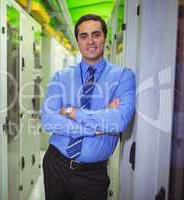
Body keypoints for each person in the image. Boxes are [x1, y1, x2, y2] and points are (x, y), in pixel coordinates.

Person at [40, 14, 136, 200]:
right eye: (83, 36)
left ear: (104, 37)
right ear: (77, 40)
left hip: (92, 175)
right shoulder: (61, 77)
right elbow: (48, 120)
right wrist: (96, 128)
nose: (90, 41)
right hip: (55, 166)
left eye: (96, 34)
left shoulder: (123, 77)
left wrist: (71, 112)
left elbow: (119, 121)